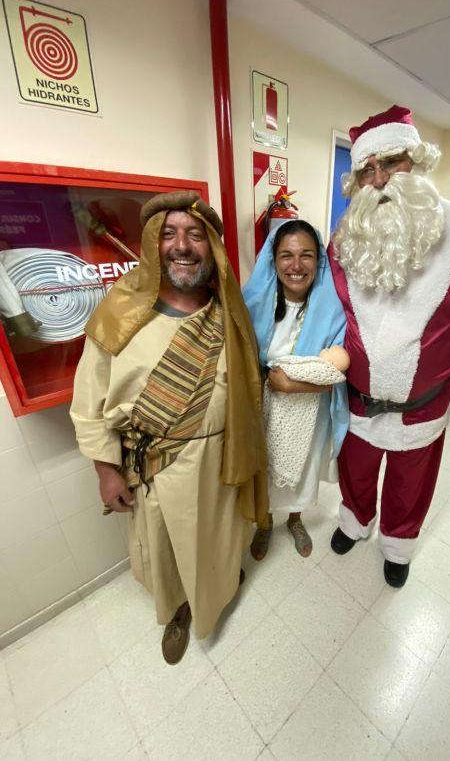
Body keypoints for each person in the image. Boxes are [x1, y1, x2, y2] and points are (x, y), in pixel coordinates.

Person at [70, 191, 268, 664]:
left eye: (196, 235)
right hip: (155, 468)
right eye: (170, 234)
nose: (182, 245)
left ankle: (218, 594)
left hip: (221, 463)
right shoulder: (118, 314)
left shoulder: (231, 316)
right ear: (153, 245)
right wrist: (105, 471)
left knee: (220, 540)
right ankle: (180, 610)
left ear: (212, 248)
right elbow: (87, 404)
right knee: (165, 549)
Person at [328, 105, 450, 588]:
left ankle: (398, 542)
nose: (379, 179)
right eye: (367, 169)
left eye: (392, 163)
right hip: (358, 399)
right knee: (356, 471)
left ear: (416, 163)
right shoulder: (343, 242)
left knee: (411, 481)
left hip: (424, 404)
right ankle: (354, 520)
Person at [243, 220, 348, 559]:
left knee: (301, 469)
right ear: (273, 261)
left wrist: (290, 384)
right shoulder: (252, 303)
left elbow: (336, 372)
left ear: (319, 261)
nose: (296, 265)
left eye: (307, 255)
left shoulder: (334, 310)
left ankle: (295, 519)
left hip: (309, 406)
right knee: (264, 467)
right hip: (261, 405)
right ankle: (263, 523)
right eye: (286, 255)